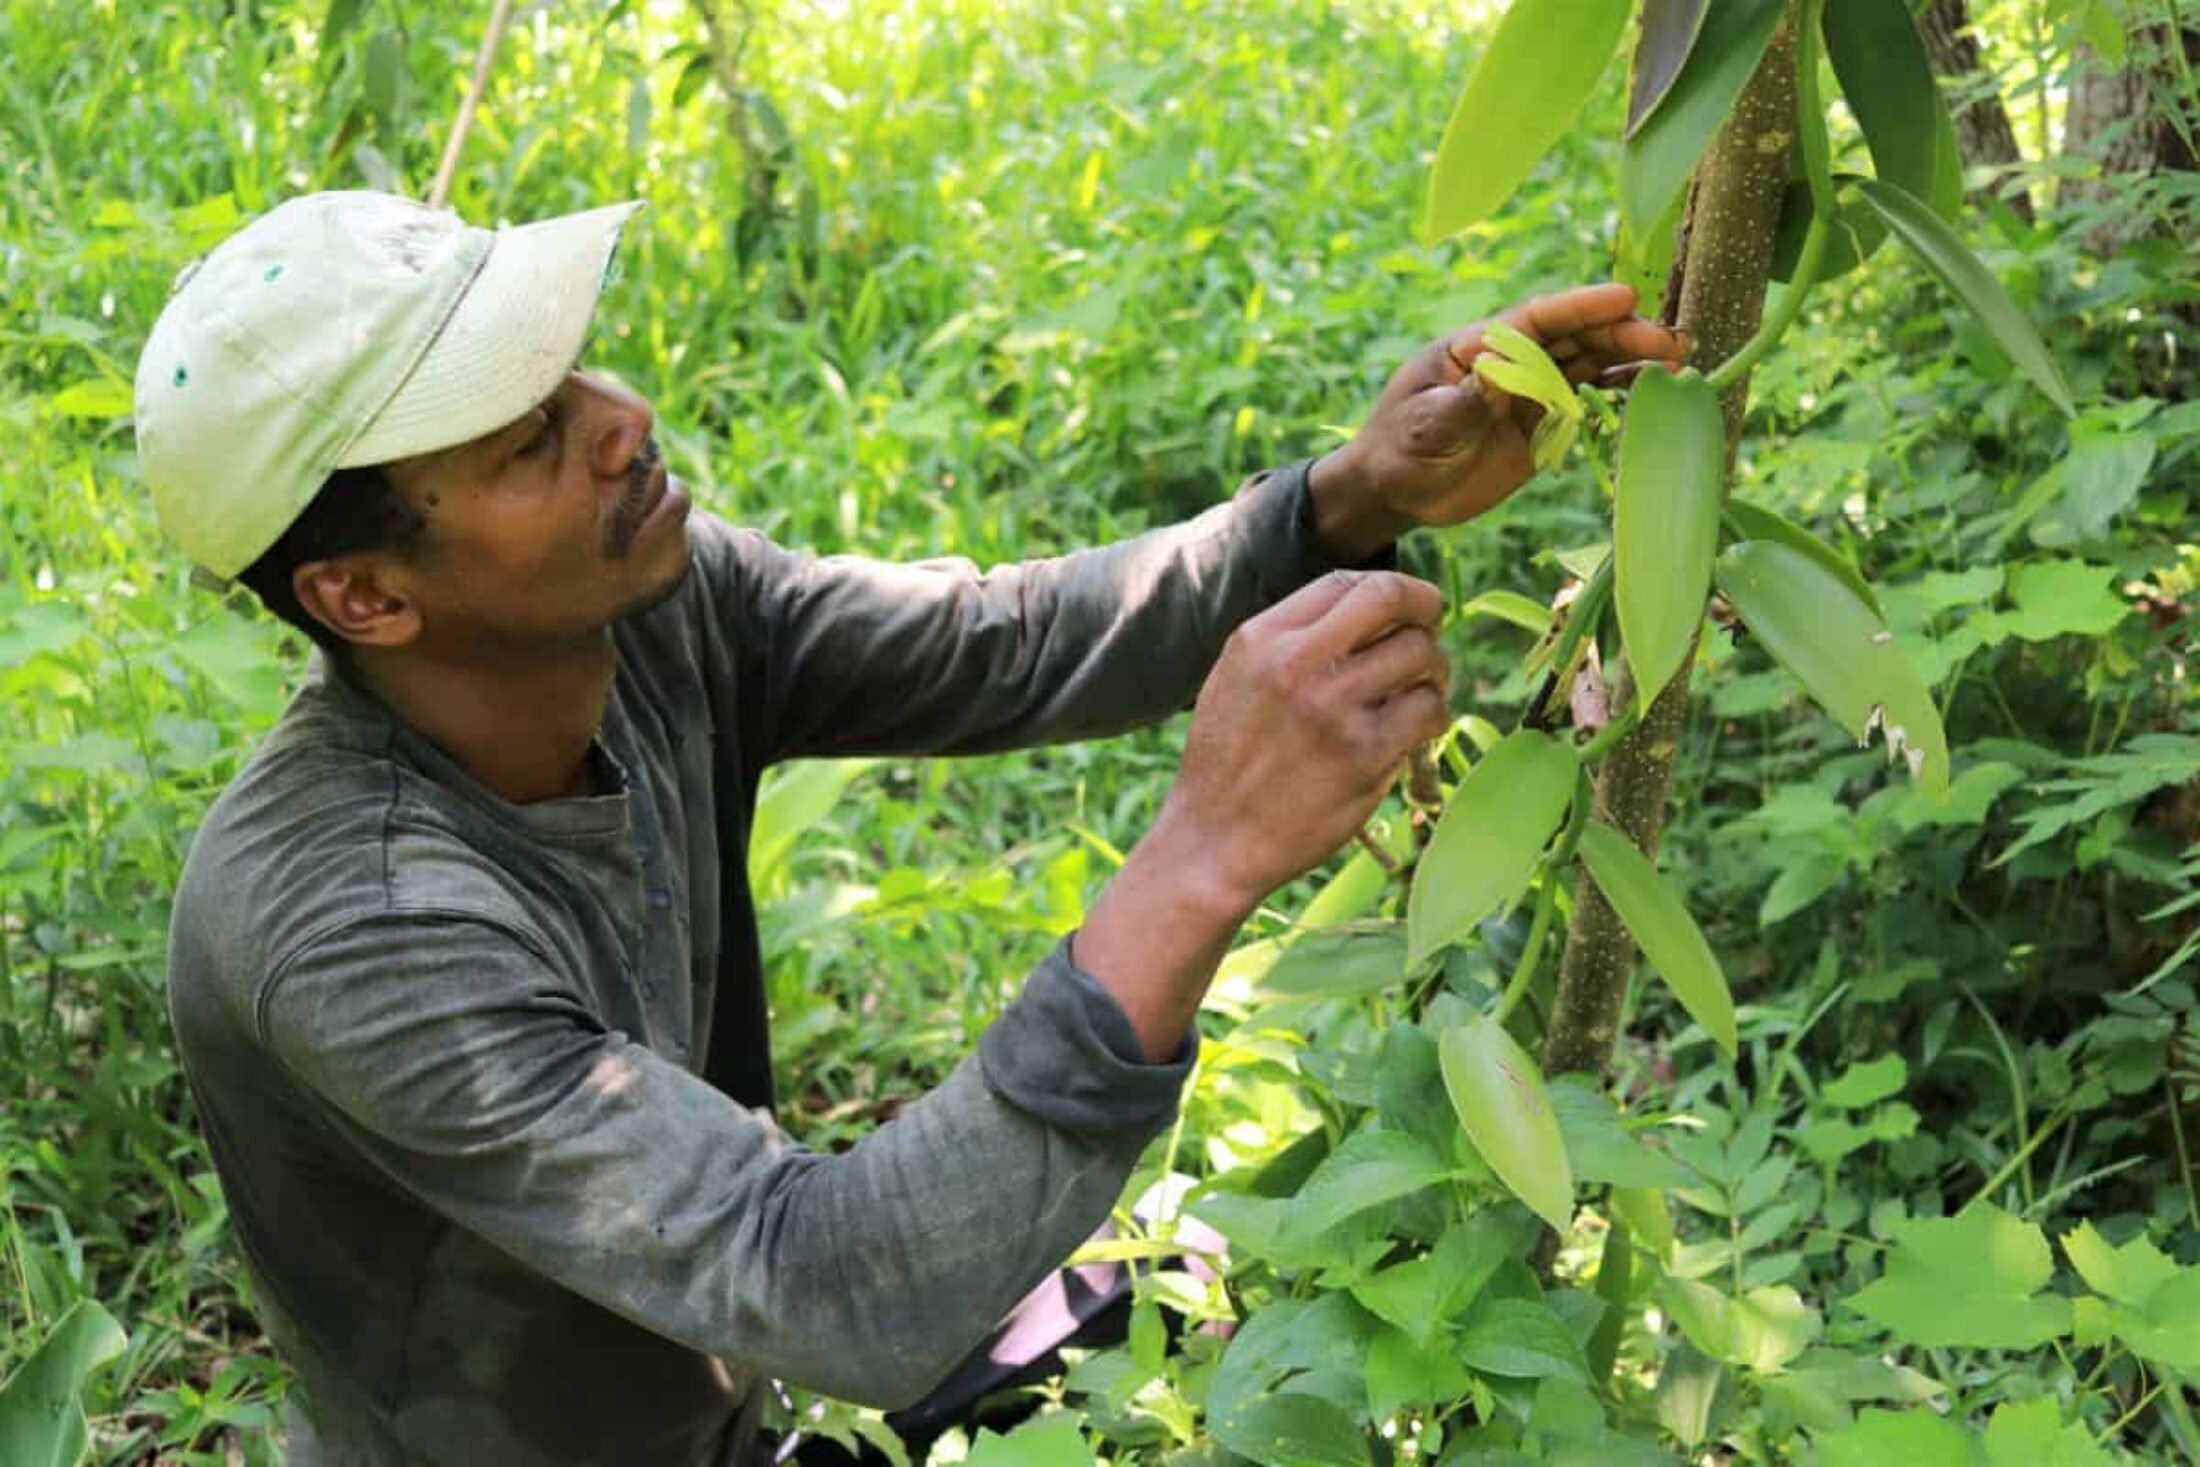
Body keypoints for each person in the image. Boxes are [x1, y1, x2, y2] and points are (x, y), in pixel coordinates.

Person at [135, 190, 1684, 1466]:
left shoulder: (645, 615)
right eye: (530, 439)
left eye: (576, 376)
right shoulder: (354, 930)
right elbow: (829, 1286)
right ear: (366, 597)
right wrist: (1201, 858)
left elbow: (1001, 644)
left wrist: (1346, 496)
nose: (623, 422)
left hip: (723, 1382)